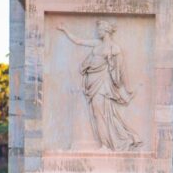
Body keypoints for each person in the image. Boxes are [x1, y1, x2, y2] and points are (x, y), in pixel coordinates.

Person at [57, 20, 142, 151]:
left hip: (102, 86)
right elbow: (79, 41)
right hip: (92, 84)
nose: (98, 32)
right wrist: (65, 29)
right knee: (100, 115)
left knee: (100, 115)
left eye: (100, 29)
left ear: (106, 31)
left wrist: (128, 88)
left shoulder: (114, 49)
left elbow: (121, 70)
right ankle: (110, 143)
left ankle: (106, 145)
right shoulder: (97, 44)